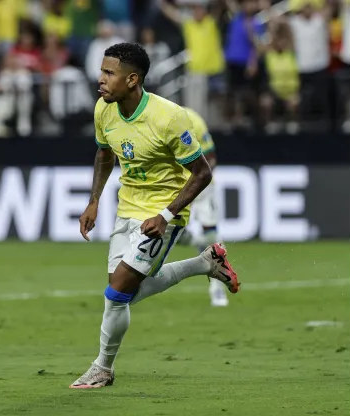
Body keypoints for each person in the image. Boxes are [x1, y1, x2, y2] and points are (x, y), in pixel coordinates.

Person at [71, 43, 240, 389]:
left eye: (109, 73)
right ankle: (205, 263)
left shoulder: (169, 117)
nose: (100, 79)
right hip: (127, 206)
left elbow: (202, 173)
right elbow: (104, 154)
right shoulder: (104, 110)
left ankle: (102, 368)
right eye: (102, 71)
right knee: (126, 292)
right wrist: (94, 201)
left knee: (117, 292)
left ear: (132, 79)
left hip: (164, 211)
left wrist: (166, 214)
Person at [175, 107, 230, 307]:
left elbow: (211, 156)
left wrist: (199, 181)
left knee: (212, 234)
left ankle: (217, 288)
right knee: (170, 234)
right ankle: (199, 242)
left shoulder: (193, 119)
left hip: (200, 186)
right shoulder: (155, 122)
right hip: (173, 187)